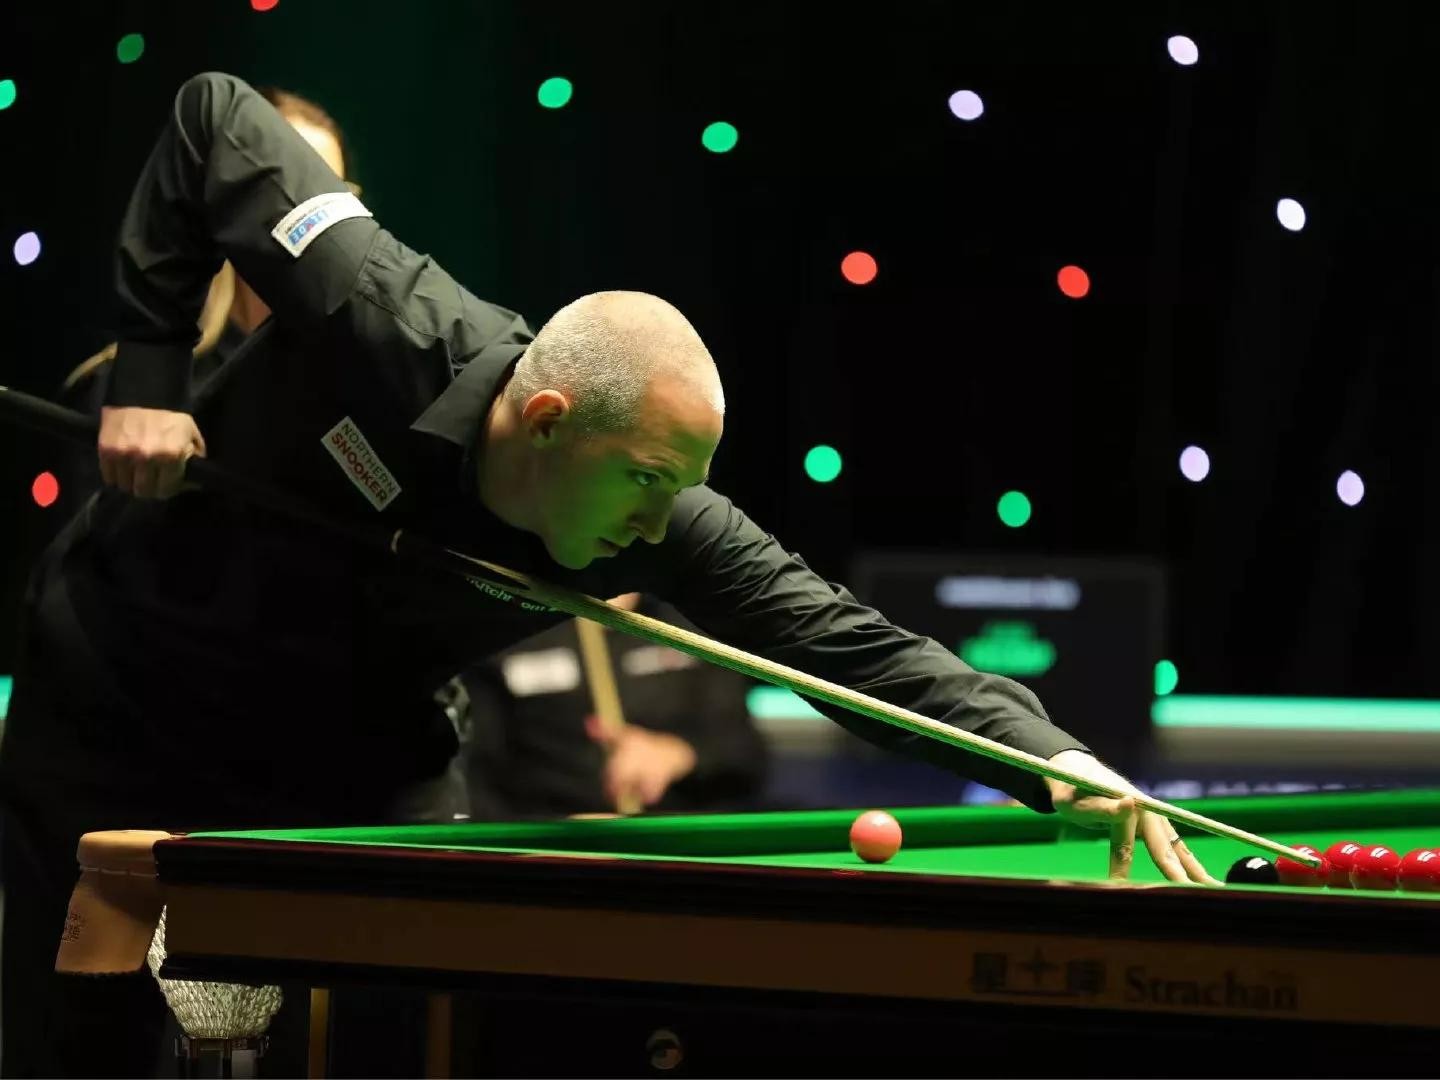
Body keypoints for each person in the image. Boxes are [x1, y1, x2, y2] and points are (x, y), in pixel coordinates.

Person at [0, 72, 1215, 1076]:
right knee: (78, 1041)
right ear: (546, 421)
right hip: (124, 680)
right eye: (643, 480)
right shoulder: (385, 311)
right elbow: (213, 115)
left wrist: (1052, 762)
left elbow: (848, 646)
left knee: (409, 1028)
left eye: (678, 488)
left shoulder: (659, 512)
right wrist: (150, 373)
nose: (658, 522)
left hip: (353, 740)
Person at [52, 86, 353, 504]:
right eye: (292, 192)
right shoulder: (135, 389)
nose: (313, 220)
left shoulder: (348, 394)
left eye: (331, 198)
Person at [454, 592, 769, 819]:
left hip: (680, 847)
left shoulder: (692, 628)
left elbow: (745, 752)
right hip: (550, 856)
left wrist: (678, 753)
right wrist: (542, 845)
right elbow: (476, 778)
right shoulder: (508, 634)